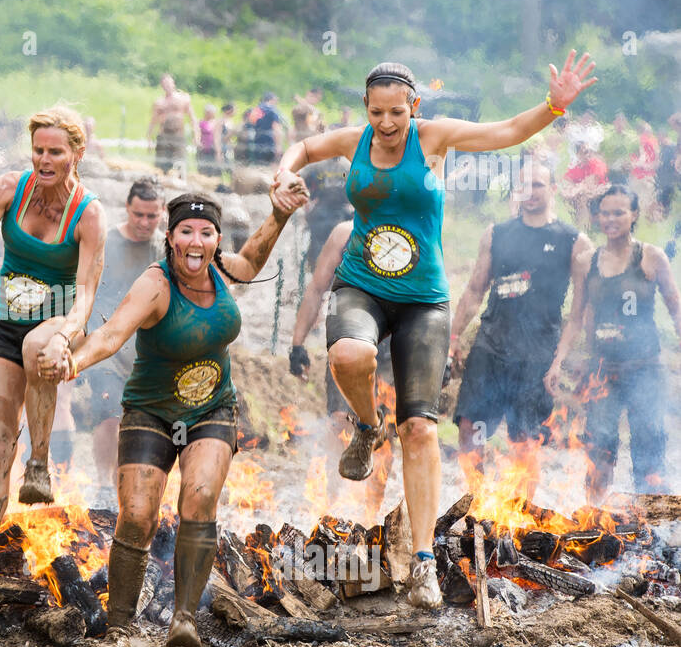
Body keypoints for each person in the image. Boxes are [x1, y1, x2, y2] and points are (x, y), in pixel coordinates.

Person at [272, 52, 597, 609]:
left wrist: (553, 105)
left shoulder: (434, 137)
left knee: (420, 429)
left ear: (414, 106)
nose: (386, 123)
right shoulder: (353, 141)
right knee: (348, 355)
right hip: (361, 283)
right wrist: (283, 171)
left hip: (423, 298)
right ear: (366, 108)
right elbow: (303, 148)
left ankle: (422, 561)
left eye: (397, 112)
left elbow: (506, 132)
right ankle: (367, 427)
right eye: (376, 112)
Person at [40, 188, 306, 647]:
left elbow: (252, 260)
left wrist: (279, 214)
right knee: (138, 514)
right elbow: (111, 334)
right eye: (186, 231)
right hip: (151, 411)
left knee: (199, 499)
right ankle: (118, 631)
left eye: (206, 233)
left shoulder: (223, 269)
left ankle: (184, 620)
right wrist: (72, 362)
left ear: (216, 240)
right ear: (170, 237)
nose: (196, 242)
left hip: (212, 410)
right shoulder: (155, 283)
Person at [0, 107, 106, 603]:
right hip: (2, 322)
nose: (44, 160)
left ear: (77, 153)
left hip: (56, 323)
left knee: (38, 346)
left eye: (55, 152)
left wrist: (67, 334)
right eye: (38, 150)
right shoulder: (9, 189)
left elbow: (86, 294)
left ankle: (39, 463)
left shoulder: (88, 213)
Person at [450, 159, 591, 498]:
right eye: (524, 185)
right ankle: (475, 502)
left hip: (537, 352)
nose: (530, 192)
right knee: (470, 425)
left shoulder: (573, 241)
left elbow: (578, 313)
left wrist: (560, 360)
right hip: (491, 344)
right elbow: (474, 290)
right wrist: (453, 337)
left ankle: (522, 510)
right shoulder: (496, 234)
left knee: (525, 436)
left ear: (553, 189)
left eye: (538, 184)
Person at [546, 186, 681, 502]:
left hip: (645, 368)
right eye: (605, 213)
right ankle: (594, 515)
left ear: (634, 215)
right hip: (602, 371)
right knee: (599, 447)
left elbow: (676, 310)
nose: (611, 219)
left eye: (619, 212)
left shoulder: (651, 257)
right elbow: (576, 318)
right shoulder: (586, 261)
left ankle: (653, 518)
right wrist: (558, 360)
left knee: (648, 444)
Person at [70, 179, 163, 508]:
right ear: (128, 208)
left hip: (148, 352)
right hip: (106, 345)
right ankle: (103, 486)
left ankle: (128, 486)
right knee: (108, 414)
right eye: (139, 214)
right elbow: (85, 289)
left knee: (141, 424)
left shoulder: (165, 250)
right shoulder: (107, 242)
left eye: (152, 216)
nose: (144, 222)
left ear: (162, 213)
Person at [290, 219, 395, 511]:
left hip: (392, 344)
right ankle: (331, 506)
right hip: (347, 338)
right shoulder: (345, 233)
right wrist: (297, 344)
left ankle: (371, 513)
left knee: (384, 429)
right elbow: (317, 288)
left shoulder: (411, 230)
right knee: (339, 420)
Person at [299, 152, 352, 271]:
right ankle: (320, 268)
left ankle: (322, 268)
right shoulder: (347, 166)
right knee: (323, 242)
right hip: (324, 211)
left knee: (336, 242)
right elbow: (299, 179)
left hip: (337, 211)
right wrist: (307, 203)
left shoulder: (347, 166)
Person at [147, 74, 195, 174]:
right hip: (164, 136)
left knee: (180, 164)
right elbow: (153, 121)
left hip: (178, 135)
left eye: (169, 83)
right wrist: (149, 138)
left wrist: (196, 135)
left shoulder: (183, 99)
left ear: (173, 84)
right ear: (162, 86)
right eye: (165, 84)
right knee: (161, 166)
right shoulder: (159, 102)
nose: (167, 85)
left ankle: (181, 180)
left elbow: (192, 118)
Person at [246, 93, 286, 165]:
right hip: (270, 144)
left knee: (259, 166)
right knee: (270, 167)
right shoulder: (273, 111)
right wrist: (279, 146)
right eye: (276, 101)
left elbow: (250, 126)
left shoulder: (255, 110)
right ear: (272, 100)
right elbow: (277, 129)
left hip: (256, 144)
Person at [196, 104, 221, 176]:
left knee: (212, 169)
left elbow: (217, 138)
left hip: (212, 149)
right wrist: (198, 143)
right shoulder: (200, 122)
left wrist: (218, 152)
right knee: (202, 169)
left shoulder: (216, 123)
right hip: (202, 149)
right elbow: (197, 134)